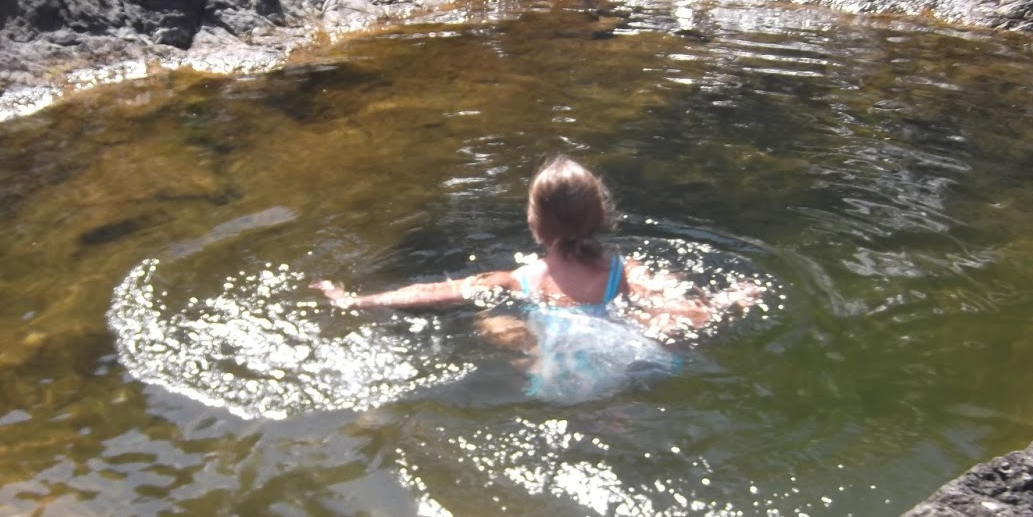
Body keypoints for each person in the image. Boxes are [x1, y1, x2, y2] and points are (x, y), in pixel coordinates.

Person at [313, 156, 761, 398]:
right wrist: (730, 300)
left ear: (534, 223)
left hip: (559, 377)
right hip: (625, 363)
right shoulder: (622, 273)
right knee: (657, 324)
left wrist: (356, 300)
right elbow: (680, 310)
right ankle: (616, 409)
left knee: (488, 319)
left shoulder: (521, 279)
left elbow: (436, 291)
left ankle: (531, 351)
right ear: (601, 215)